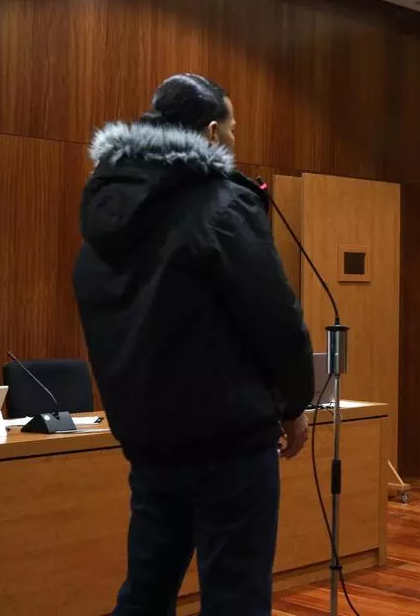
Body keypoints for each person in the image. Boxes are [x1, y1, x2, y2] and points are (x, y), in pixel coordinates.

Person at [73, 73, 314, 615]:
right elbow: (275, 317)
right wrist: (294, 403)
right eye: (232, 128)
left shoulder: (105, 210)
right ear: (210, 132)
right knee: (235, 596)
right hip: (228, 439)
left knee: (146, 591)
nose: (234, 140)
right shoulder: (222, 205)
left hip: (147, 438)